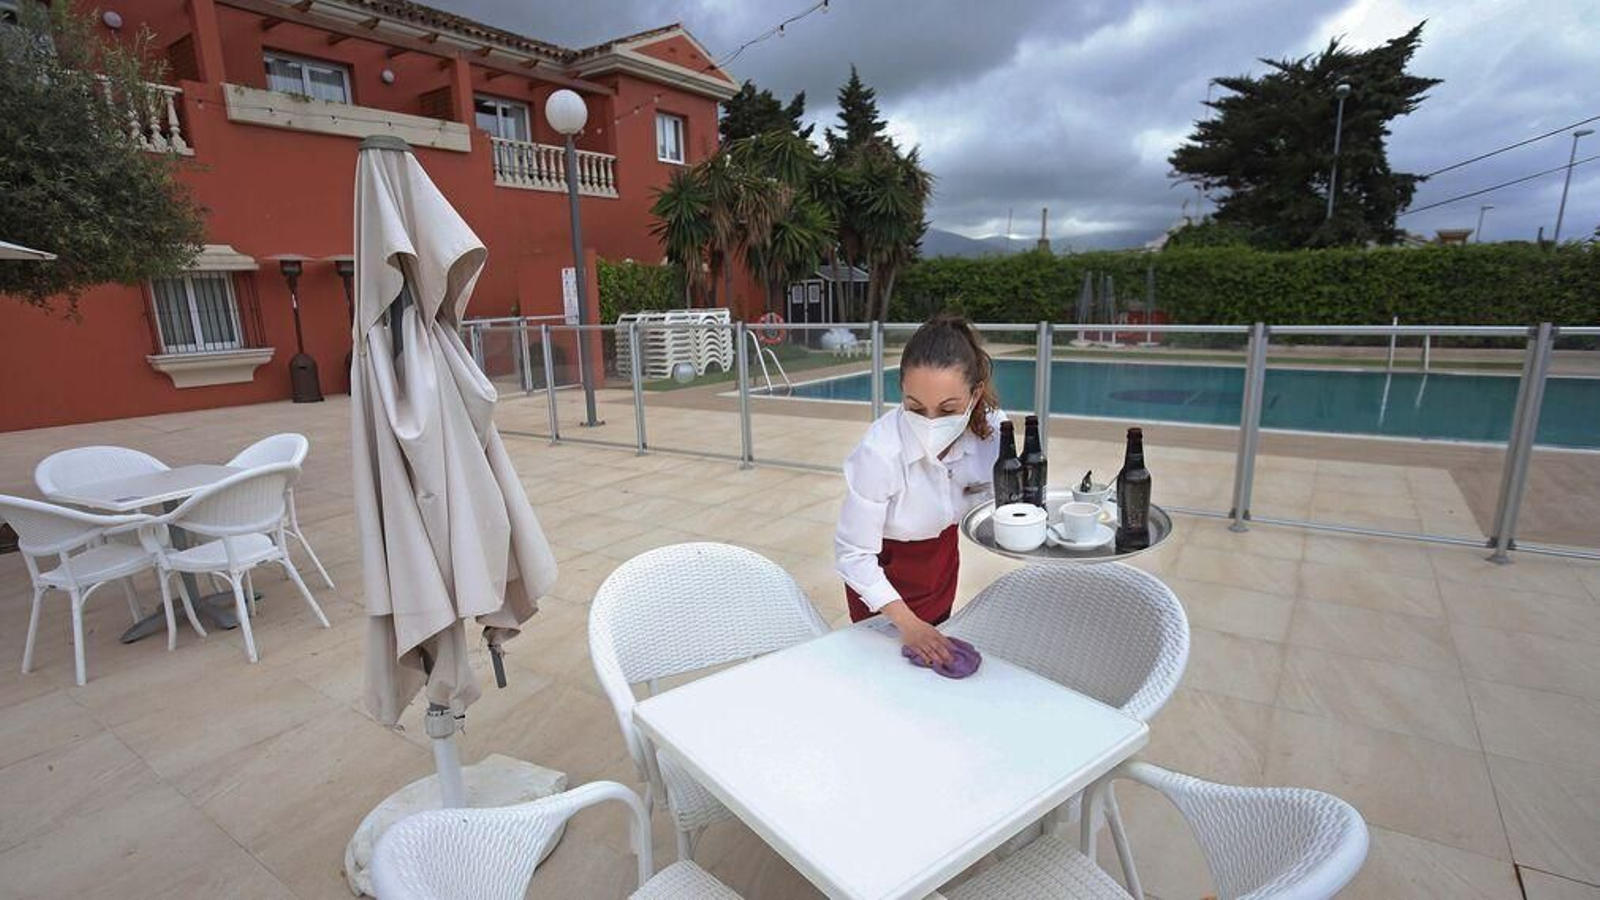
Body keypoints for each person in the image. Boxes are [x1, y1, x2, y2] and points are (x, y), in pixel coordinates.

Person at [835, 314, 1006, 666]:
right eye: (915, 407)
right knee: (882, 669)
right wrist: (908, 624)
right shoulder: (879, 454)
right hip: (883, 581)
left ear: (974, 396)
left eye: (948, 410)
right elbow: (853, 555)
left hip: (941, 567)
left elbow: (1003, 499)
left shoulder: (992, 435)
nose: (929, 422)